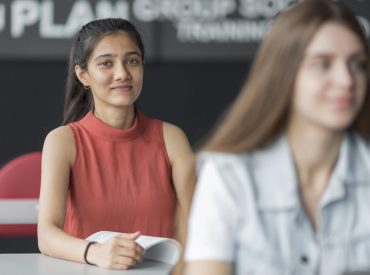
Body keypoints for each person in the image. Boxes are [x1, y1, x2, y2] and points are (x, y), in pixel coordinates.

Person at [184, 1, 370, 275]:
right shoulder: (229, 176)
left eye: (358, 64)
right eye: (323, 64)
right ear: (284, 71)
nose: (346, 80)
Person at [37, 18, 194, 270]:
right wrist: (96, 253)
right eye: (106, 63)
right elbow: (46, 235)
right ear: (83, 75)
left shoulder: (172, 138)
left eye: (132, 61)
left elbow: (201, 223)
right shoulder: (62, 141)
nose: (122, 74)